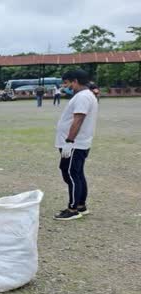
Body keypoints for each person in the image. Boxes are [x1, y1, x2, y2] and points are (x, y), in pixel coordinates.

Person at [54, 69, 99, 220]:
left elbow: (78, 119)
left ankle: (73, 209)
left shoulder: (82, 97)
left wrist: (69, 141)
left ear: (75, 81)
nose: (66, 87)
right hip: (77, 143)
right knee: (77, 173)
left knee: (71, 174)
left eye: (67, 83)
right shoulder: (85, 95)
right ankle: (80, 204)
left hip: (75, 144)